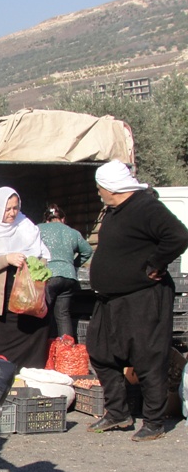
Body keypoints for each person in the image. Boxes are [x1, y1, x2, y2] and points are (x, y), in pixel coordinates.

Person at [86, 160, 188, 441]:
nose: (99, 193)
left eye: (100, 189)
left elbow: (178, 236)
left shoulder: (145, 206)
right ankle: (117, 413)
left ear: (112, 188)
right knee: (100, 352)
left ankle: (154, 422)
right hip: (110, 299)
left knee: (148, 358)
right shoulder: (115, 210)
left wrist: (156, 263)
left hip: (142, 297)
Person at [0, 187, 52, 370]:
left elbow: (42, 255)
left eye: (15, 208)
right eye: (7, 209)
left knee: (35, 338)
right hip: (2, 305)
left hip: (28, 301)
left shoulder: (26, 226)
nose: (12, 213)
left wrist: (32, 263)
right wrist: (6, 259)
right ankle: (7, 385)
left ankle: (31, 384)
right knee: (6, 353)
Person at [37, 203, 93, 340]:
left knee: (45, 314)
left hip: (48, 276)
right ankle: (67, 353)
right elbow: (88, 251)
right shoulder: (73, 232)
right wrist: (72, 264)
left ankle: (47, 350)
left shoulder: (38, 229)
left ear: (46, 219)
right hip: (68, 277)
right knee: (63, 315)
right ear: (63, 218)